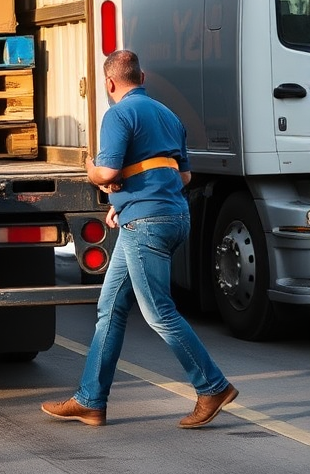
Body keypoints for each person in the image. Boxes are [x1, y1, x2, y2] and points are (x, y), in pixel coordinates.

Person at [42, 49, 237, 429]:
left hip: (144, 224)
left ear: (109, 83)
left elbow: (108, 169)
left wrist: (91, 170)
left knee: (158, 312)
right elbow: (182, 178)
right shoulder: (168, 115)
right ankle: (90, 401)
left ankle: (211, 385)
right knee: (109, 308)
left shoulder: (118, 114)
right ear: (142, 78)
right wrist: (124, 198)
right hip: (172, 217)